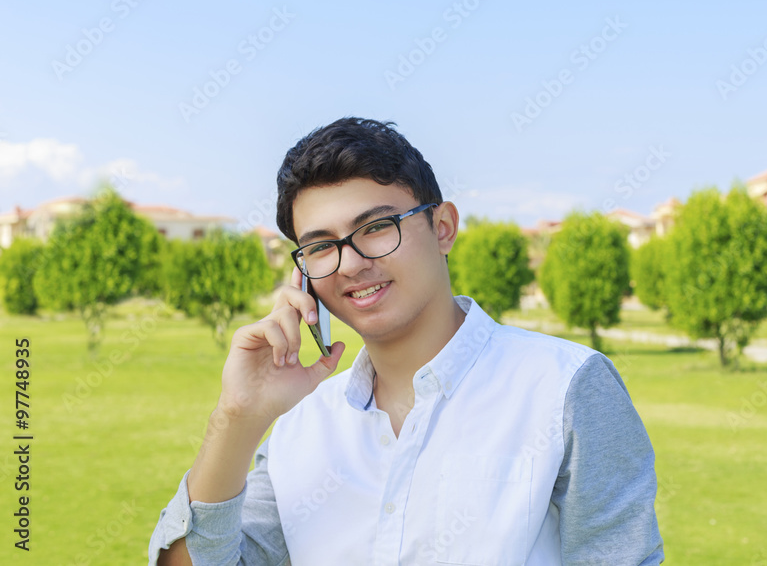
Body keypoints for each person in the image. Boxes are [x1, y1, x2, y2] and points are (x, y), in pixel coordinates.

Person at [148, 117, 664, 565]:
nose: (350, 263)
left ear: (442, 227)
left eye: (376, 227)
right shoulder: (303, 425)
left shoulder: (564, 387)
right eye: (321, 246)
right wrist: (238, 417)